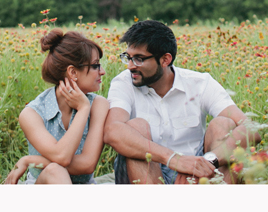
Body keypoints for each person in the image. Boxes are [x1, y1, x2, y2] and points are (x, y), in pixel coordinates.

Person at [104, 19, 260, 184]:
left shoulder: (200, 83)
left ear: (165, 60)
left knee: (223, 125)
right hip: (146, 169)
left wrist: (206, 162)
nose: (130, 66)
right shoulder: (123, 83)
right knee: (136, 127)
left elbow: (250, 129)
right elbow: (112, 130)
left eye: (139, 59)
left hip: (200, 171)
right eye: (128, 57)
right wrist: (174, 159)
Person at [4, 29, 109, 184]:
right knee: (55, 170)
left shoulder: (99, 104)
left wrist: (30, 161)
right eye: (95, 66)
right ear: (73, 72)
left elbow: (87, 165)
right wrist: (83, 109)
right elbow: (62, 157)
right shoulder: (33, 113)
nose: (103, 72)